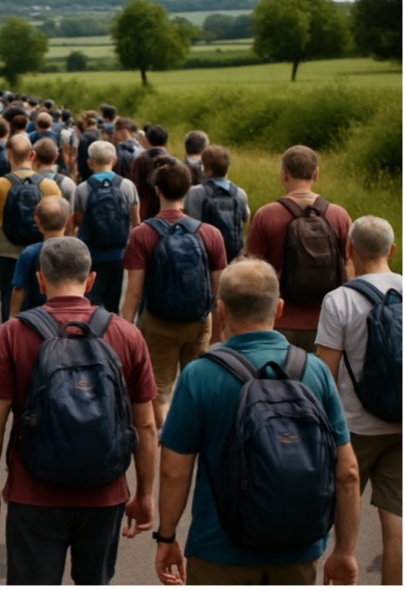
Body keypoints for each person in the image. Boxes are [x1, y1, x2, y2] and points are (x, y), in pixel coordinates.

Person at [155, 259, 360, 586]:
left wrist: (166, 536)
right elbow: (347, 472)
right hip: (298, 550)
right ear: (279, 308)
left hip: (219, 552)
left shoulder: (200, 375)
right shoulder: (315, 371)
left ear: (222, 310)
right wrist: (345, 551)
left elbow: (174, 470)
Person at [0, 237, 158, 585]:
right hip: (105, 491)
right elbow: (146, 426)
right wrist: (145, 493)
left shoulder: (14, 333)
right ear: (90, 280)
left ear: (40, 279)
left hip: (34, 491)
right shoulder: (127, 334)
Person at [316, 215, 402, 586]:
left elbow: (325, 373)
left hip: (353, 428)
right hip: (400, 425)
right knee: (396, 523)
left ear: (349, 249)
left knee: (337, 507)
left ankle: (344, 560)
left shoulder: (339, 300)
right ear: (392, 250)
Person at [122, 159, 227, 429]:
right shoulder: (210, 234)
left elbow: (133, 292)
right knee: (196, 381)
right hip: (199, 322)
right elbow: (220, 291)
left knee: (158, 387)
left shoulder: (142, 234)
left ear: (157, 190)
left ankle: (167, 434)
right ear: (188, 190)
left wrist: (125, 329)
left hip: (158, 322)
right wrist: (221, 331)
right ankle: (192, 434)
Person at [247, 145, 351, 352]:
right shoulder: (339, 215)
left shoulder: (266, 215)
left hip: (279, 321)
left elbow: (254, 271)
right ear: (316, 174)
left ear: (284, 174)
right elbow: (352, 267)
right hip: (326, 323)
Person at [0, 134, 62, 323]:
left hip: (6, 252)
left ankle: (11, 330)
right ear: (33, 155)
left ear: (8, 154)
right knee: (41, 299)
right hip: (40, 252)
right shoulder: (50, 186)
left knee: (8, 298)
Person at [73, 140, 140, 313]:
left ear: (90, 162)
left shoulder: (82, 189)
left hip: (92, 254)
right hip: (118, 254)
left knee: (91, 303)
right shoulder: (127, 186)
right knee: (113, 303)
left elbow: (79, 222)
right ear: (114, 160)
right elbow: (136, 222)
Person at [10, 197, 71, 317]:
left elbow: (19, 289)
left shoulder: (29, 253)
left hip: (35, 316)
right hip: (67, 315)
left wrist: (13, 317)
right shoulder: (76, 251)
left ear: (37, 221)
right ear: (68, 219)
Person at [129, 124, 171, 221]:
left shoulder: (139, 160)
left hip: (144, 210)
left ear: (146, 140)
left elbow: (135, 185)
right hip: (166, 210)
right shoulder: (172, 161)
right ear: (166, 142)